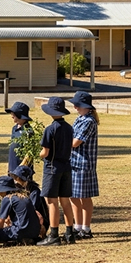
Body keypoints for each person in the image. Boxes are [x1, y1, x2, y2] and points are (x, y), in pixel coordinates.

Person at [37, 96, 76, 247]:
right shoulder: (69, 128)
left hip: (52, 168)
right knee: (65, 200)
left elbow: (45, 152)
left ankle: (53, 235)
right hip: (66, 166)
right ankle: (69, 232)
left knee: (52, 201)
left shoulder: (50, 129)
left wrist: (37, 154)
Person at [69, 90, 100, 240]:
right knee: (74, 196)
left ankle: (86, 228)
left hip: (83, 164)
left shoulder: (89, 121)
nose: (75, 107)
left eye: (78, 105)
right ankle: (77, 226)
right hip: (73, 162)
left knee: (84, 197)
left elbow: (75, 142)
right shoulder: (79, 119)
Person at [0, 175, 40, 246]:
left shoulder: (7, 199)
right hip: (35, 232)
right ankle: (25, 239)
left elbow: (0, 222)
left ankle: (18, 239)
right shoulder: (24, 196)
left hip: (20, 231)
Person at [9, 164, 49, 237]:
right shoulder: (18, 188)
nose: (15, 181)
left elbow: (33, 209)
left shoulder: (34, 191)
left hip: (38, 220)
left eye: (17, 178)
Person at [6, 101, 33, 173]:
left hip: (22, 169)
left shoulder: (28, 131)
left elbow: (29, 153)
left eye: (14, 115)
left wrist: (22, 167)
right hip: (12, 165)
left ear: (20, 116)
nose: (11, 116)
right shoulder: (14, 128)